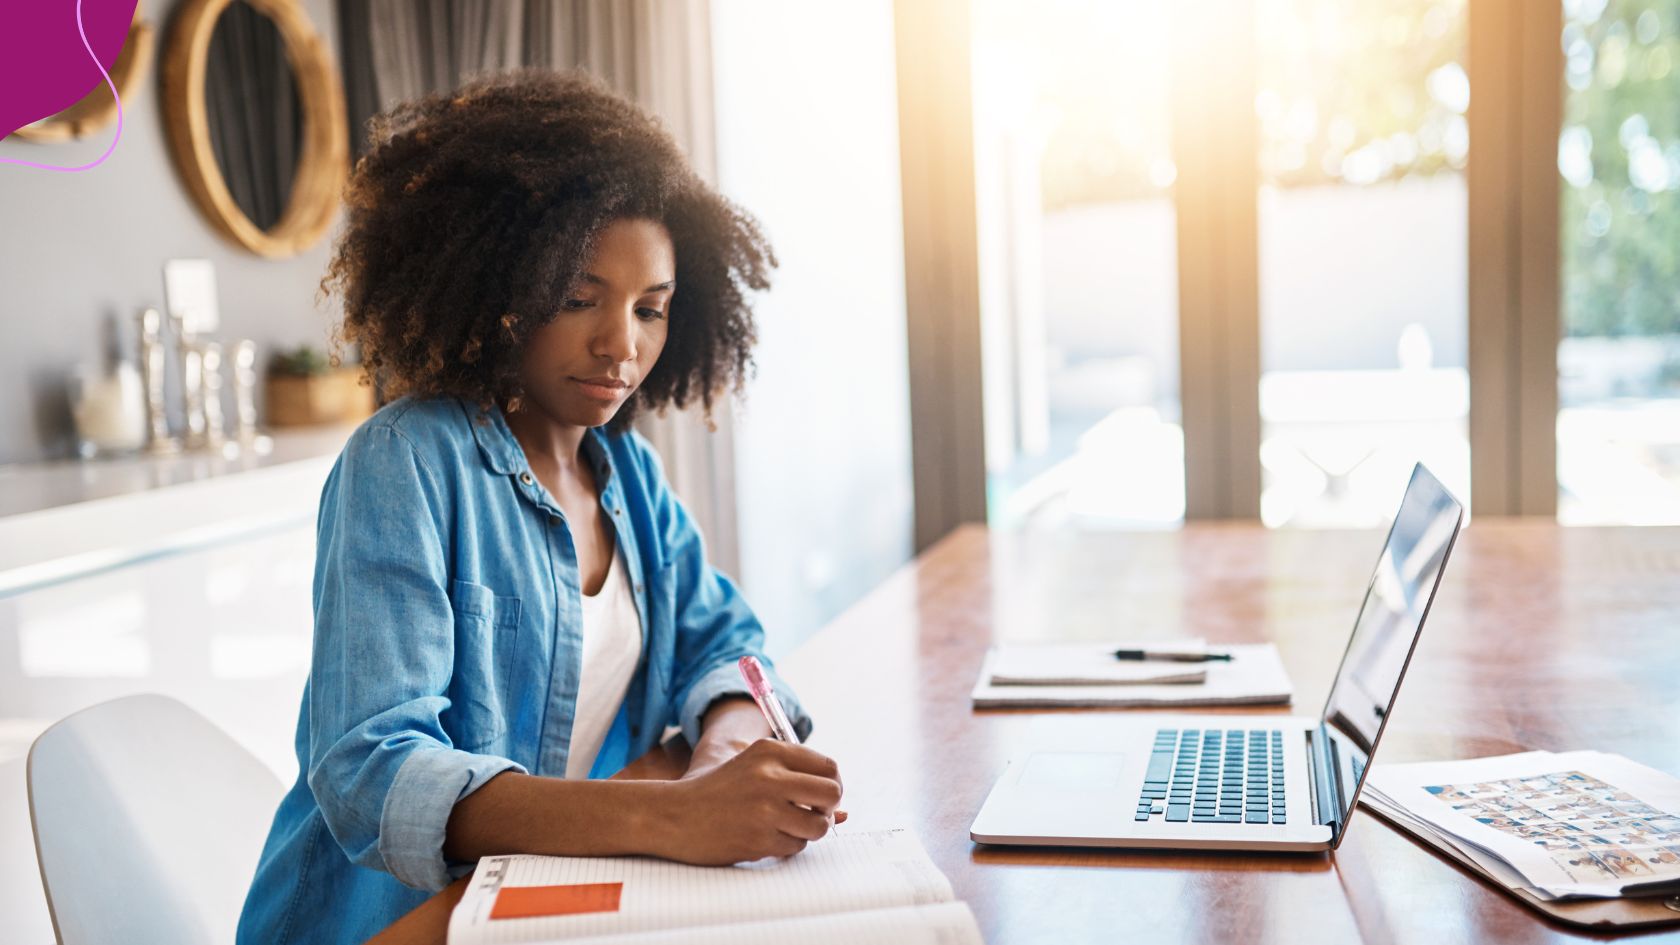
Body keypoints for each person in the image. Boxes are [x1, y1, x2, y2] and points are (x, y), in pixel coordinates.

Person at [236, 68, 844, 945]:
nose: (621, 345)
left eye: (651, 309)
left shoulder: (629, 473)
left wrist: (724, 748)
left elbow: (729, 647)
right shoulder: (405, 462)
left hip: (536, 905)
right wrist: (676, 817)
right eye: (578, 298)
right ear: (499, 285)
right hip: (384, 926)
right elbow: (373, 768)